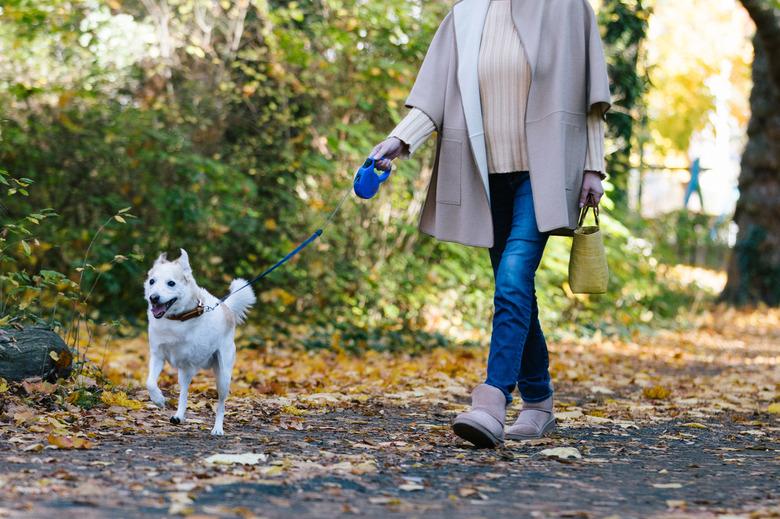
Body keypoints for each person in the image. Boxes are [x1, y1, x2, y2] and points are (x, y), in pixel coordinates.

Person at [369, 0, 611, 448]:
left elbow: (589, 97)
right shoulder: (465, 14)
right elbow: (435, 98)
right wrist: (399, 140)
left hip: (544, 171)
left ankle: (492, 399)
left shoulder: (567, 8)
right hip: (485, 175)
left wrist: (593, 167)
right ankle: (539, 404)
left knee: (515, 275)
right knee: (512, 284)